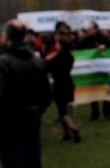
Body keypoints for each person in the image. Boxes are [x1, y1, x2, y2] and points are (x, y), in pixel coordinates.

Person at [0, 20, 53, 167]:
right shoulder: (37, 61)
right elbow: (47, 95)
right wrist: (36, 110)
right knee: (33, 160)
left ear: (7, 37)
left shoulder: (4, 62)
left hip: (10, 124)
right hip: (32, 119)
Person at [46, 34, 81, 143]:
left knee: (62, 110)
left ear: (61, 45)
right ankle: (66, 133)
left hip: (59, 84)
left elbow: (48, 67)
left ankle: (73, 128)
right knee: (68, 108)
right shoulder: (70, 56)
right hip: (69, 83)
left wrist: (48, 59)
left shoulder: (57, 57)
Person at [78, 21, 110, 120]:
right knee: (93, 90)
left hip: (103, 68)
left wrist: (104, 48)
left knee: (105, 89)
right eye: (88, 29)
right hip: (92, 68)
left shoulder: (104, 38)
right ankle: (95, 113)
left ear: (96, 29)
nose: (88, 31)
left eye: (90, 29)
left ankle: (107, 113)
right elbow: (79, 48)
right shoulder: (85, 39)